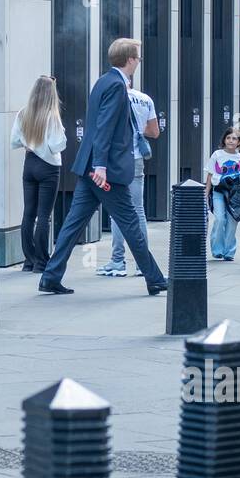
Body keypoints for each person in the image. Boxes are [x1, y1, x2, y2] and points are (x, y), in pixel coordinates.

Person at [38, 38, 168, 296]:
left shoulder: (103, 82)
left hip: (91, 167)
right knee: (130, 222)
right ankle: (154, 279)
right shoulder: (117, 86)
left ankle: (50, 276)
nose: (139, 62)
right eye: (138, 58)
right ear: (130, 60)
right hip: (105, 170)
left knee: (73, 224)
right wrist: (101, 166)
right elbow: (105, 127)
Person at [97, 73, 160, 277]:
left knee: (118, 210)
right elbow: (154, 132)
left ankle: (117, 260)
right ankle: (143, 264)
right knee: (138, 210)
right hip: (137, 158)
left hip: (117, 160)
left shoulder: (114, 98)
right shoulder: (145, 99)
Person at [12, 75, 68, 273]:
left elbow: (14, 140)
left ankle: (29, 261)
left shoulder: (23, 113)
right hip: (48, 167)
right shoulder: (52, 117)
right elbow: (57, 145)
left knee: (28, 214)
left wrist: (30, 144)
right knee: (44, 215)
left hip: (29, 165)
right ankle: (42, 262)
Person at [204, 129, 240, 262]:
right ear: (224, 140)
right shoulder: (217, 155)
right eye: (228, 138)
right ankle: (217, 250)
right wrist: (205, 193)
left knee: (232, 221)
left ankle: (229, 251)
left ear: (239, 142)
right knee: (219, 219)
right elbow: (210, 174)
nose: (231, 140)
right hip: (218, 191)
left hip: (234, 193)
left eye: (234, 139)